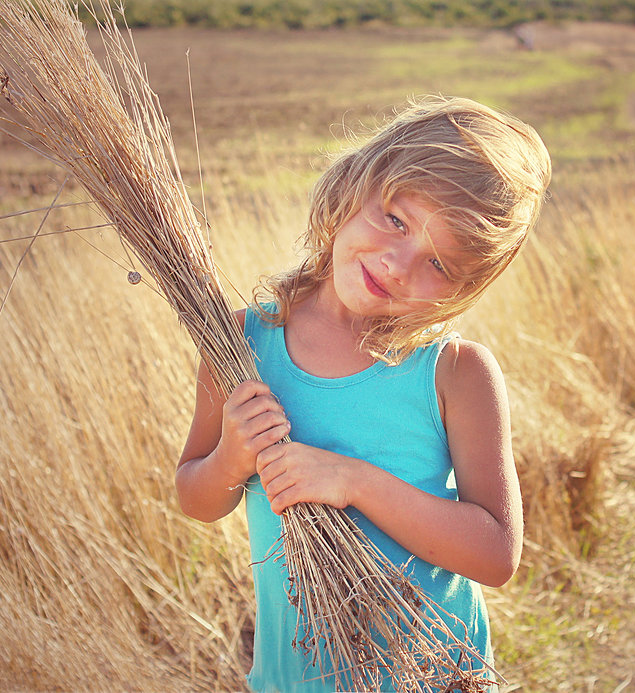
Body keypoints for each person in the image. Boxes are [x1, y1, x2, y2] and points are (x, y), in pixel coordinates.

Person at [173, 95, 551, 692]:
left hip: (431, 677)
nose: (399, 265)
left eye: (440, 265)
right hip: (296, 678)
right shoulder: (239, 346)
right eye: (396, 220)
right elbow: (196, 496)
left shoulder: (455, 373)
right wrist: (231, 457)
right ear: (353, 187)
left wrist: (355, 482)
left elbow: (497, 553)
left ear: (465, 288)